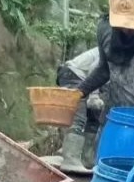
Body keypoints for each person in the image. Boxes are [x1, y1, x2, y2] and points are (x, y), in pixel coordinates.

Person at [44, 47, 103, 175]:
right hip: (74, 74)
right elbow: (96, 68)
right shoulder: (112, 50)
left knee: (94, 116)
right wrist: (94, 96)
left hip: (80, 76)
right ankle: (71, 159)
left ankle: (86, 159)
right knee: (79, 116)